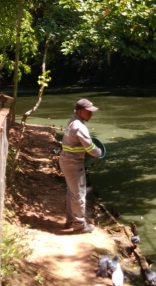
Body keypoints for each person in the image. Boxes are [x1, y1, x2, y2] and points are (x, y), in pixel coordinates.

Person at [59, 98, 102, 233]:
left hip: (66, 161)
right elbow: (91, 148)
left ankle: (70, 220)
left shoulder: (72, 122)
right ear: (80, 111)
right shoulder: (80, 127)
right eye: (88, 112)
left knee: (72, 192)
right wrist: (99, 152)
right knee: (79, 194)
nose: (91, 114)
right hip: (73, 164)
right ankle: (79, 225)